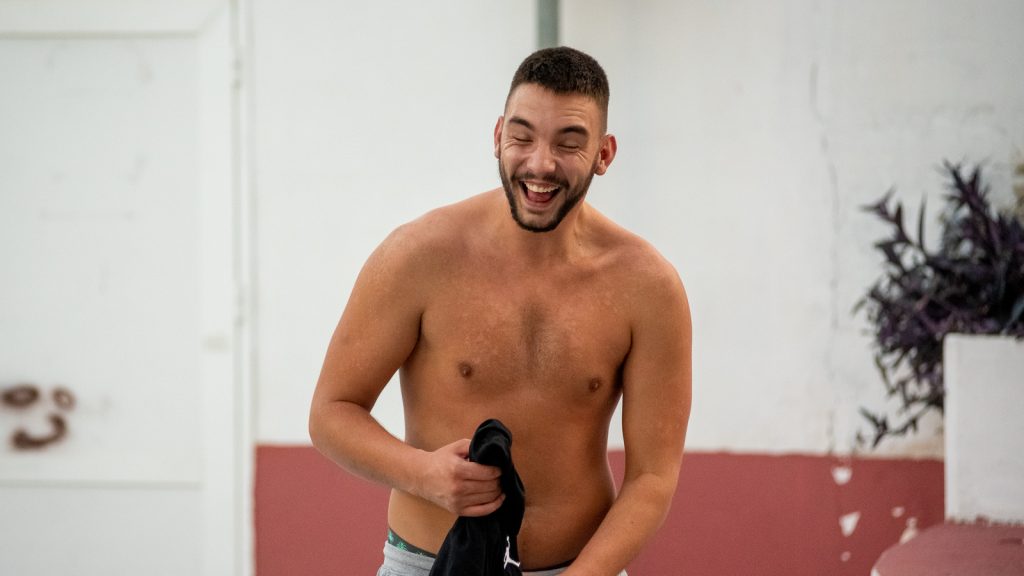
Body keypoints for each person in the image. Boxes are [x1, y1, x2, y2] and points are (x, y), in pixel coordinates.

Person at [309, 46, 692, 576]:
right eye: (522, 136)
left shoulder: (647, 287)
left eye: (569, 143)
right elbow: (331, 413)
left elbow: (653, 477)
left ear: (604, 154)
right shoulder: (419, 255)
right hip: (426, 564)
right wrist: (425, 475)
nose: (540, 163)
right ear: (497, 136)